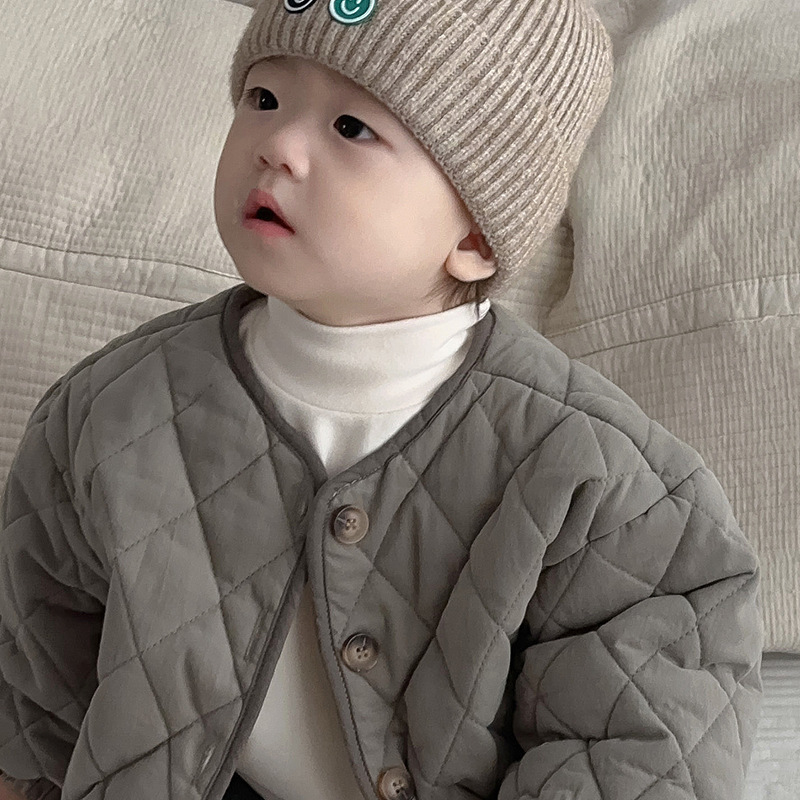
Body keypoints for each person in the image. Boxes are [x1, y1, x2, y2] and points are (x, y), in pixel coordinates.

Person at [0, 0, 764, 799]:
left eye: (352, 128)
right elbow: (37, 686)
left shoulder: (603, 486)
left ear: (474, 237)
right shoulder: (108, 411)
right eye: (264, 98)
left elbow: (638, 747)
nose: (277, 145)